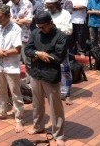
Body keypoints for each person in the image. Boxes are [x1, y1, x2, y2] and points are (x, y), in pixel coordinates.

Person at [25, 11, 67, 146]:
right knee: (37, 103)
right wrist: (38, 53)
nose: (41, 29)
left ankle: (58, 134)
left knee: (55, 107)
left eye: (43, 27)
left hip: (51, 75)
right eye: (39, 27)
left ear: (51, 23)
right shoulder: (36, 32)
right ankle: (38, 126)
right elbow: (28, 50)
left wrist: (42, 56)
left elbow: (58, 58)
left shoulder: (61, 36)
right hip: (35, 73)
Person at [0, 5, 25, 133]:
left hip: (11, 65)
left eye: (0, 17)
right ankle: (2, 112)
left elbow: (17, 49)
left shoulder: (16, 29)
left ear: (8, 16)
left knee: (15, 92)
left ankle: (19, 118)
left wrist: (4, 53)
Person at [45, 0, 73, 105]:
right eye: (48, 6)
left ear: (57, 4)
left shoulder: (65, 14)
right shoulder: (46, 14)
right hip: (47, 45)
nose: (49, 8)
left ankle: (66, 94)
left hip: (61, 46)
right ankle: (53, 92)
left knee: (64, 69)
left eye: (51, 6)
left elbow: (69, 30)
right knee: (49, 68)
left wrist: (54, 28)